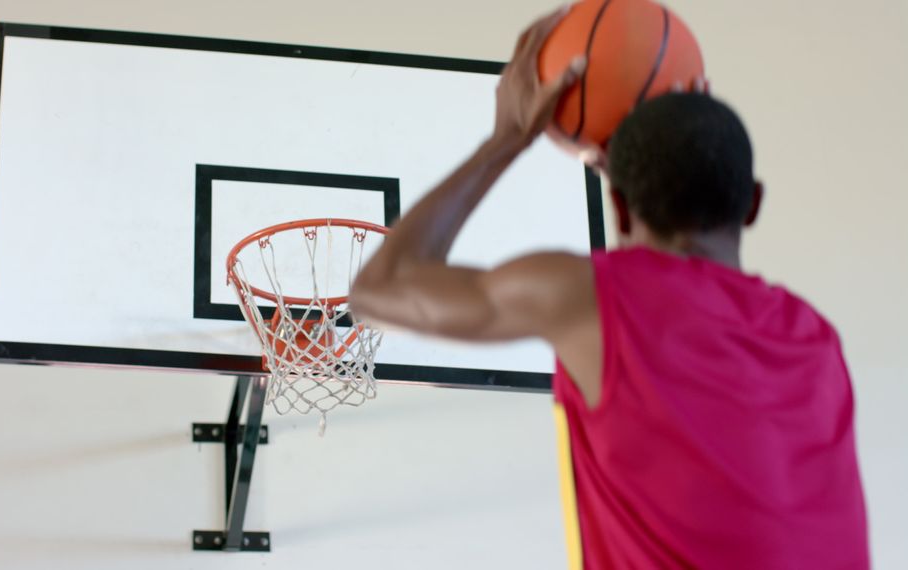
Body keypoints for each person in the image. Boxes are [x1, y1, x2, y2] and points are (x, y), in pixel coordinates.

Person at [349, 10, 869, 569]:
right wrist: (681, 127)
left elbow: (379, 291)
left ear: (617, 209)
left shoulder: (594, 298)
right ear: (753, 203)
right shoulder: (817, 340)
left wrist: (507, 138)